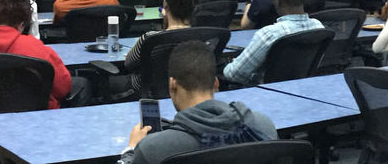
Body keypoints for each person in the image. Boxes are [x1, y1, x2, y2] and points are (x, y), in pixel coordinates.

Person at [117, 41, 277, 164]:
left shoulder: (152, 148)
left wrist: (131, 150)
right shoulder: (264, 126)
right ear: (216, 83)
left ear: (172, 85)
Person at [223, 0, 323, 85]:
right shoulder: (319, 27)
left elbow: (234, 75)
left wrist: (231, 64)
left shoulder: (269, 34)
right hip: (304, 88)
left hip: (266, 93)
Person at [124, 0, 195, 93]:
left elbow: (128, 64)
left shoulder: (150, 39)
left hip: (146, 91)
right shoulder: (203, 38)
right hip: (187, 92)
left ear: (165, 7)